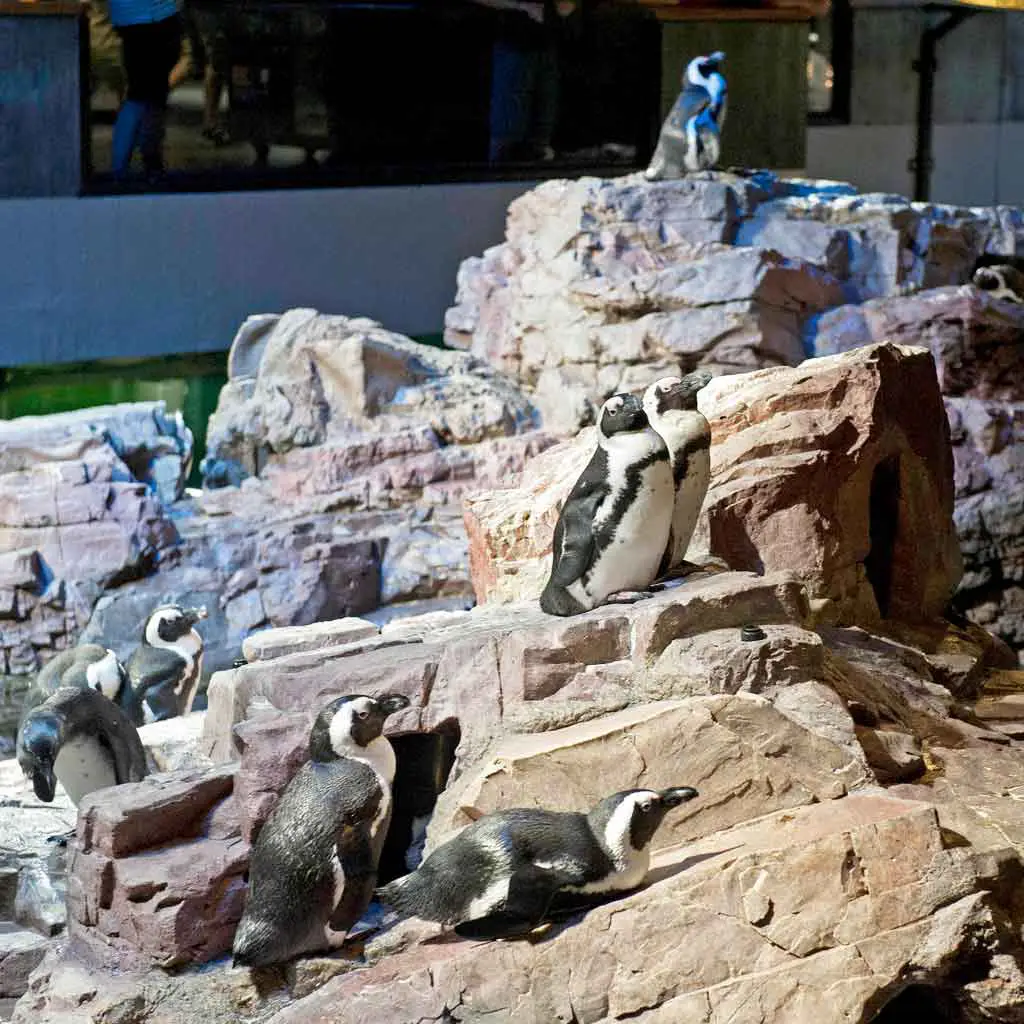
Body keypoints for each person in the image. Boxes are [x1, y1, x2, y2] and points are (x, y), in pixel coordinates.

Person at [108, 0, 183, 177]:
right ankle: (132, 166)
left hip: (127, 18)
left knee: (143, 95)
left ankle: (136, 164)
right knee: (146, 97)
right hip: (154, 17)